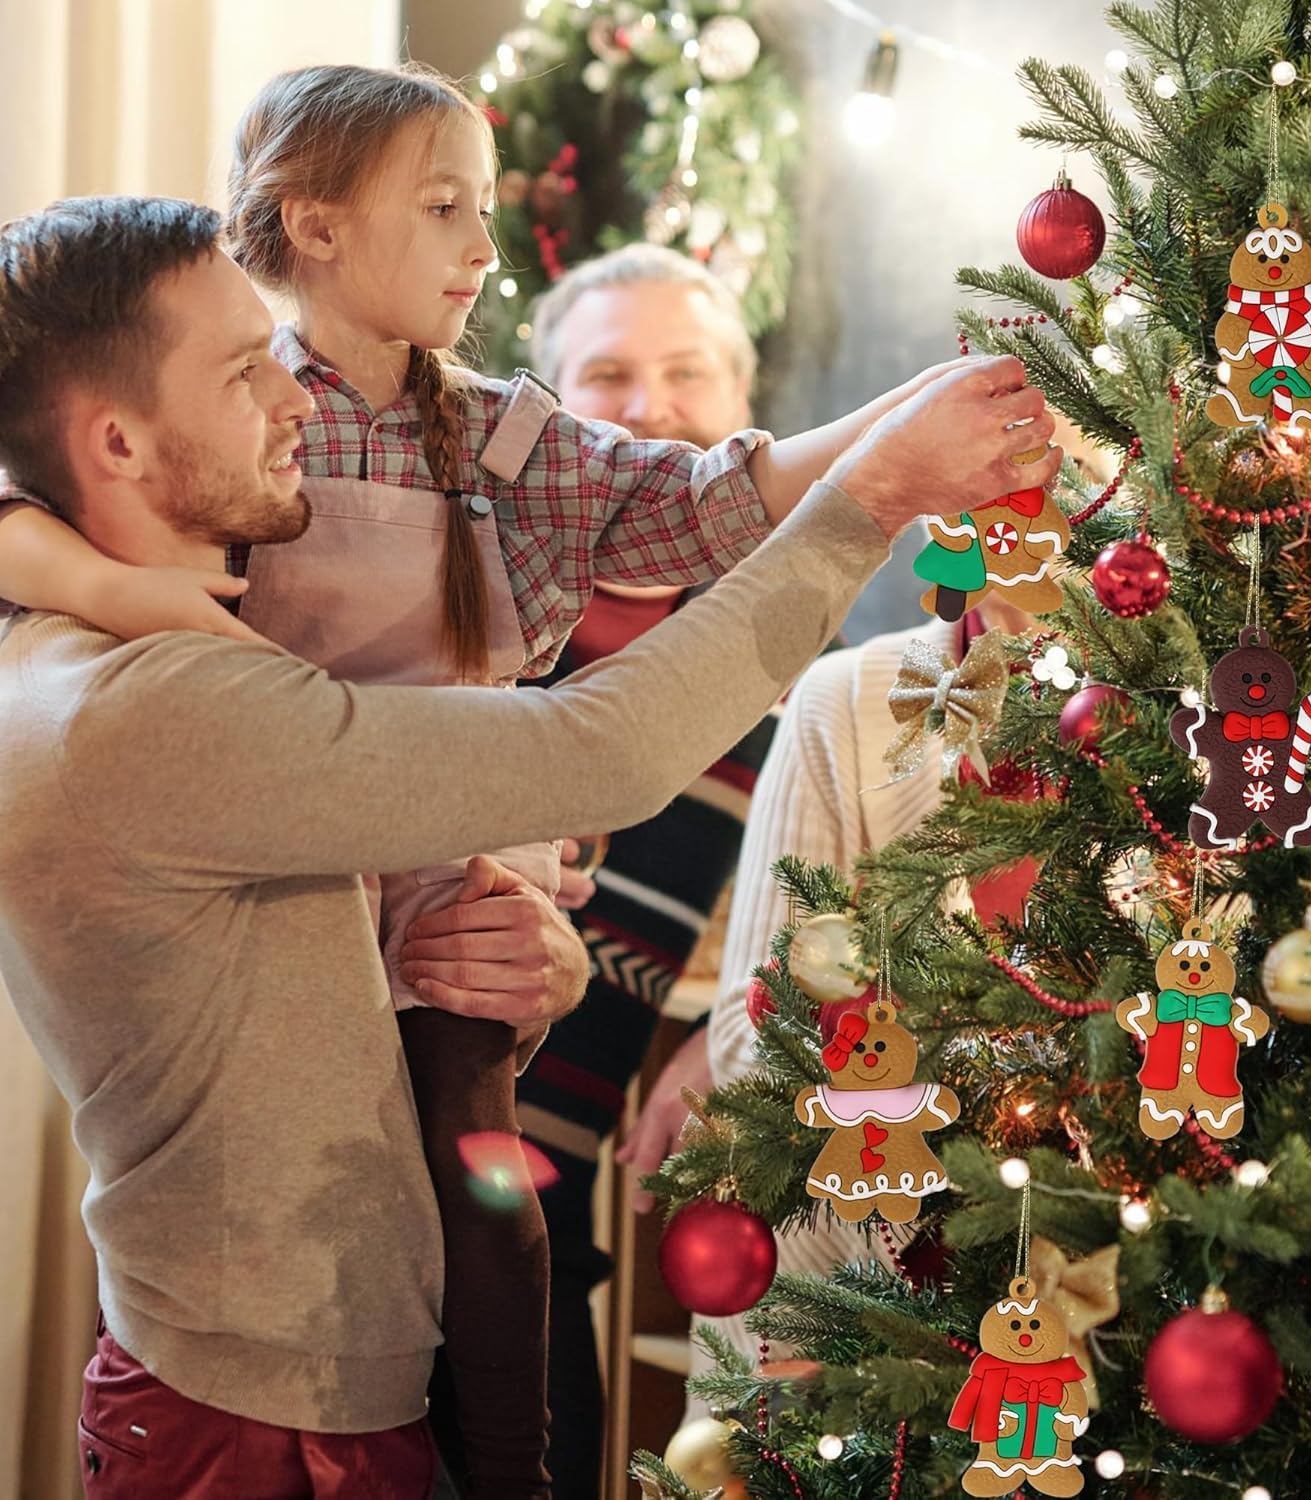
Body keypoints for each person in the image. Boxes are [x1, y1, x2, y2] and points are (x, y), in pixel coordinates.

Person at [0, 62, 1041, 1500]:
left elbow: (685, 509)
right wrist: (878, 489)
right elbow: (592, 747)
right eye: (241, 375)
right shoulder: (146, 696)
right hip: (253, 1401)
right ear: (310, 229)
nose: (284, 406)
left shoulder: (476, 441)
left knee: (496, 1220)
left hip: (427, 927)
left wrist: (532, 941)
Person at [694, 432, 1108, 1386]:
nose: (1024, 525)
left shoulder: (1184, 741)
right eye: (993, 495)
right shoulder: (847, 702)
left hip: (1116, 1308)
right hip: (852, 1301)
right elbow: (742, 1041)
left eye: (1068, 492)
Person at [511, 243, 784, 1497]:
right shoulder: (476, 617)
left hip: (546, 1218)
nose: (649, 406)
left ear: (744, 414)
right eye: (607, 374)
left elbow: (870, 892)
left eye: (687, 374)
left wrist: (735, 1022)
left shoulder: (785, 672)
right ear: (549, 409)